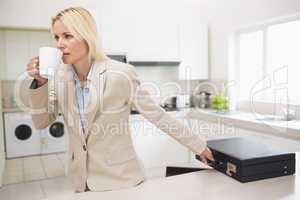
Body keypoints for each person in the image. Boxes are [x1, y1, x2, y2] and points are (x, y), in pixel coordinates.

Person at [26, 7, 214, 193]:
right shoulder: (57, 77)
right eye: (56, 37)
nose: (59, 44)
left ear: (87, 36)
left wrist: (199, 146)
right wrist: (40, 82)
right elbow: (42, 122)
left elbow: (158, 116)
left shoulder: (121, 74)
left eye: (67, 36)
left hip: (121, 180)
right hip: (81, 181)